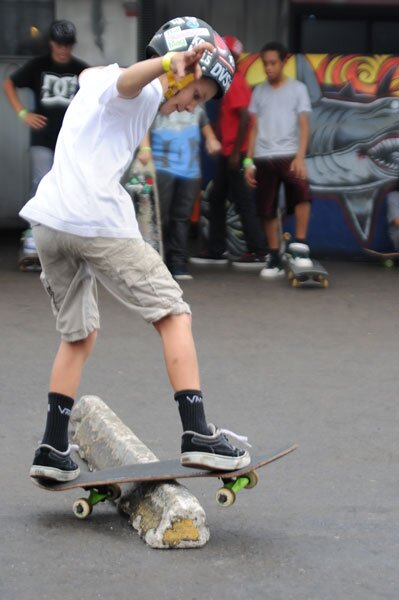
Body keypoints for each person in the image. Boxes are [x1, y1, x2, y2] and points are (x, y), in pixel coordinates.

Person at [21, 16, 251, 483]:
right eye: (196, 95)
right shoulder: (141, 87)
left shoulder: (96, 78)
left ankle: (52, 446)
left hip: (50, 224)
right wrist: (168, 62)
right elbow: (129, 82)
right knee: (173, 313)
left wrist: (162, 66)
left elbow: (96, 78)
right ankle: (197, 435)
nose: (188, 106)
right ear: (183, 73)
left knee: (78, 336)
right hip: (96, 222)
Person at [3, 20, 89, 270]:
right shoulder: (38, 66)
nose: (63, 49)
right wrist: (22, 113)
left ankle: (64, 242)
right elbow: (9, 83)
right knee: (41, 185)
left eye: (68, 44)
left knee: (69, 189)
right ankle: (33, 239)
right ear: (51, 43)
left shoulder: (81, 70)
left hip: (70, 141)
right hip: (42, 139)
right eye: (59, 44)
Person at [191, 35, 267, 268]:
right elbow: (235, 119)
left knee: (242, 202)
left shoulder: (235, 81)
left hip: (235, 153)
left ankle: (258, 251)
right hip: (229, 151)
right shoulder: (230, 81)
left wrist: (235, 153)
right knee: (216, 199)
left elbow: (246, 118)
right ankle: (217, 250)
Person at [244, 41, 312, 279]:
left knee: (303, 195)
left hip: (290, 155)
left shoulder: (298, 89)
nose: (269, 68)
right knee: (267, 208)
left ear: (284, 62)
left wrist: (301, 157)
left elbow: (304, 126)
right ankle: (274, 256)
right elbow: (253, 128)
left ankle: (300, 249)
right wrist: (248, 162)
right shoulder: (259, 91)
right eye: (265, 64)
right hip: (263, 157)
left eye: (273, 63)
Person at [137, 105, 221, 280]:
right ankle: (154, 261)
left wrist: (211, 139)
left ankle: (178, 261)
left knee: (182, 217)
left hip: (190, 169)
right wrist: (145, 148)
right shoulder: (160, 101)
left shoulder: (196, 103)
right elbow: (143, 125)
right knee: (160, 217)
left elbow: (205, 125)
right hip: (162, 167)